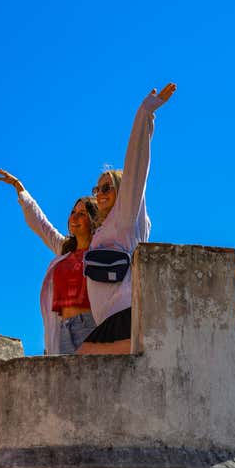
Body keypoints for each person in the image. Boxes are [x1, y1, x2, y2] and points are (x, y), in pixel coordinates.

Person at [77, 82, 177, 355]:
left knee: (81, 360)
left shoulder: (125, 216)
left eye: (107, 187)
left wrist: (145, 114)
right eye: (98, 189)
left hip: (123, 314)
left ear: (121, 191)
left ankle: (150, 348)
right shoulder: (103, 230)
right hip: (111, 319)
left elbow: (136, 168)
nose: (100, 194)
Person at [0, 168, 99, 355]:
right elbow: (41, 225)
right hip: (61, 329)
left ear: (93, 219)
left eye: (82, 213)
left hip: (90, 325)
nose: (74, 217)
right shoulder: (64, 249)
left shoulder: (101, 251)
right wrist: (20, 188)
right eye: (73, 212)